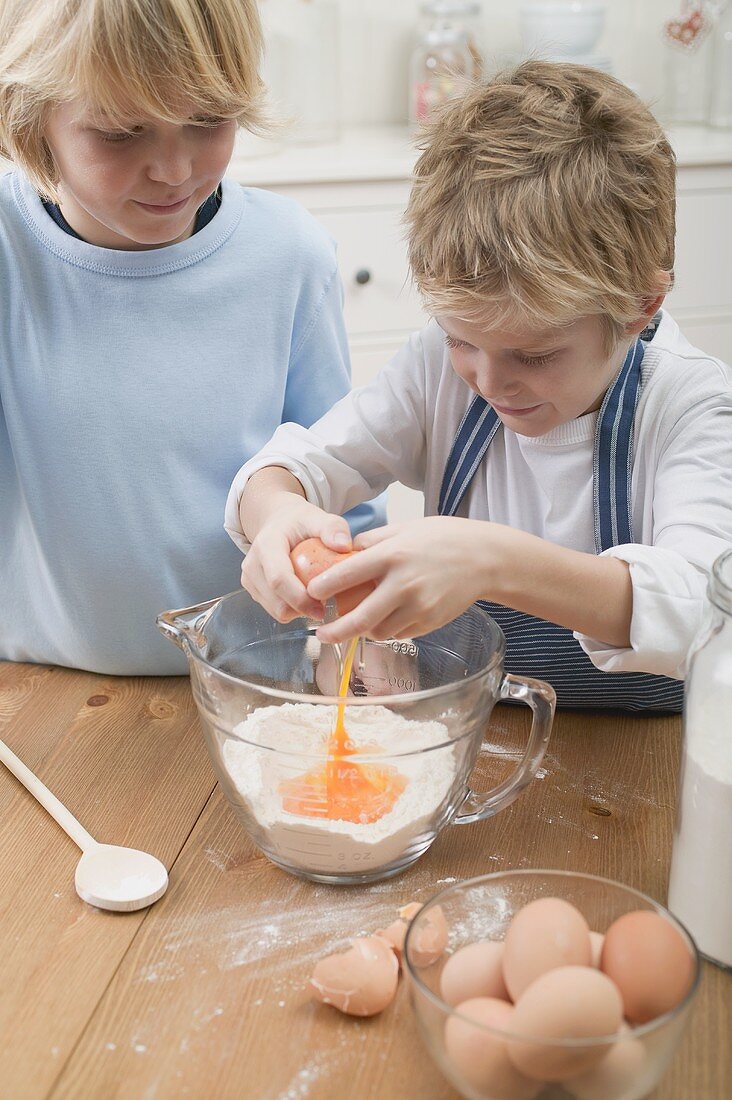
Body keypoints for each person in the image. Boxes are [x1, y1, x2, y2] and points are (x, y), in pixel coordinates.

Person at [227, 61, 732, 712]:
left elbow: (705, 605)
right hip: (484, 738)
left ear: (639, 307)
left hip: (651, 765)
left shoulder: (692, 406)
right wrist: (278, 514)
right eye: (461, 339)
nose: (490, 381)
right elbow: (293, 467)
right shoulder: (438, 373)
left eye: (535, 353)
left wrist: (492, 561)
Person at [0, 0, 381, 675]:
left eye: (207, 120)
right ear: (31, 118)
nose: (174, 170)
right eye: (120, 132)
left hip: (254, 691)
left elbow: (343, 489)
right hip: (38, 693)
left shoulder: (288, 256)